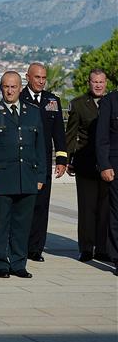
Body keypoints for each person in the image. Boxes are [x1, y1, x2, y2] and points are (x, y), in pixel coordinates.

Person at [0, 71, 47, 278]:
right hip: (0, 179)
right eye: (6, 87)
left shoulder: (33, 112)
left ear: (20, 88)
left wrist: (41, 177)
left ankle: (18, 263)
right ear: (1, 88)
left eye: (13, 87)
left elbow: (40, 147)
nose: (9, 91)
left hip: (27, 178)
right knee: (0, 224)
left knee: (22, 225)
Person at [20, 62, 67, 262]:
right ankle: (19, 246)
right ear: (28, 77)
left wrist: (62, 159)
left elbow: (59, 133)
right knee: (23, 205)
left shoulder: (52, 101)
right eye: (37, 77)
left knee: (41, 205)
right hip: (23, 161)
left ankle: (36, 249)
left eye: (43, 78)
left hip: (44, 162)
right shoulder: (18, 98)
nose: (41, 81)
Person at [65, 69, 109, 262]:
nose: (98, 85)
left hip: (108, 164)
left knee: (106, 209)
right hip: (85, 163)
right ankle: (86, 248)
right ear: (89, 83)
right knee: (86, 208)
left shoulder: (112, 102)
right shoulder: (79, 104)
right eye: (94, 81)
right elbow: (70, 134)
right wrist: (66, 159)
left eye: (101, 82)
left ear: (106, 83)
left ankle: (103, 248)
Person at [95, 89, 118, 276]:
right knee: (117, 213)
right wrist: (104, 164)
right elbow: (101, 137)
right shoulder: (110, 101)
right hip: (115, 167)